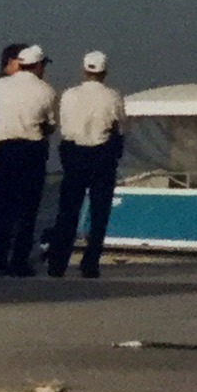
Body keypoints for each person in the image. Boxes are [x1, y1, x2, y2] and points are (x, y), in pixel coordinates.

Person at [45, 51, 127, 279]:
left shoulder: (69, 95)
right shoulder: (113, 96)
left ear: (84, 70)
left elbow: (64, 127)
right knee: (100, 212)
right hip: (102, 154)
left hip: (74, 153)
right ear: (104, 72)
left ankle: (57, 262)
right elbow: (121, 127)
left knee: (67, 211)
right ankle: (90, 263)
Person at [0, 44, 56, 276]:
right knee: (27, 211)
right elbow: (50, 124)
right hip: (31, 151)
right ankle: (18, 262)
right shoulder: (47, 91)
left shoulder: (0, 86)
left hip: (4, 150)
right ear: (37, 65)